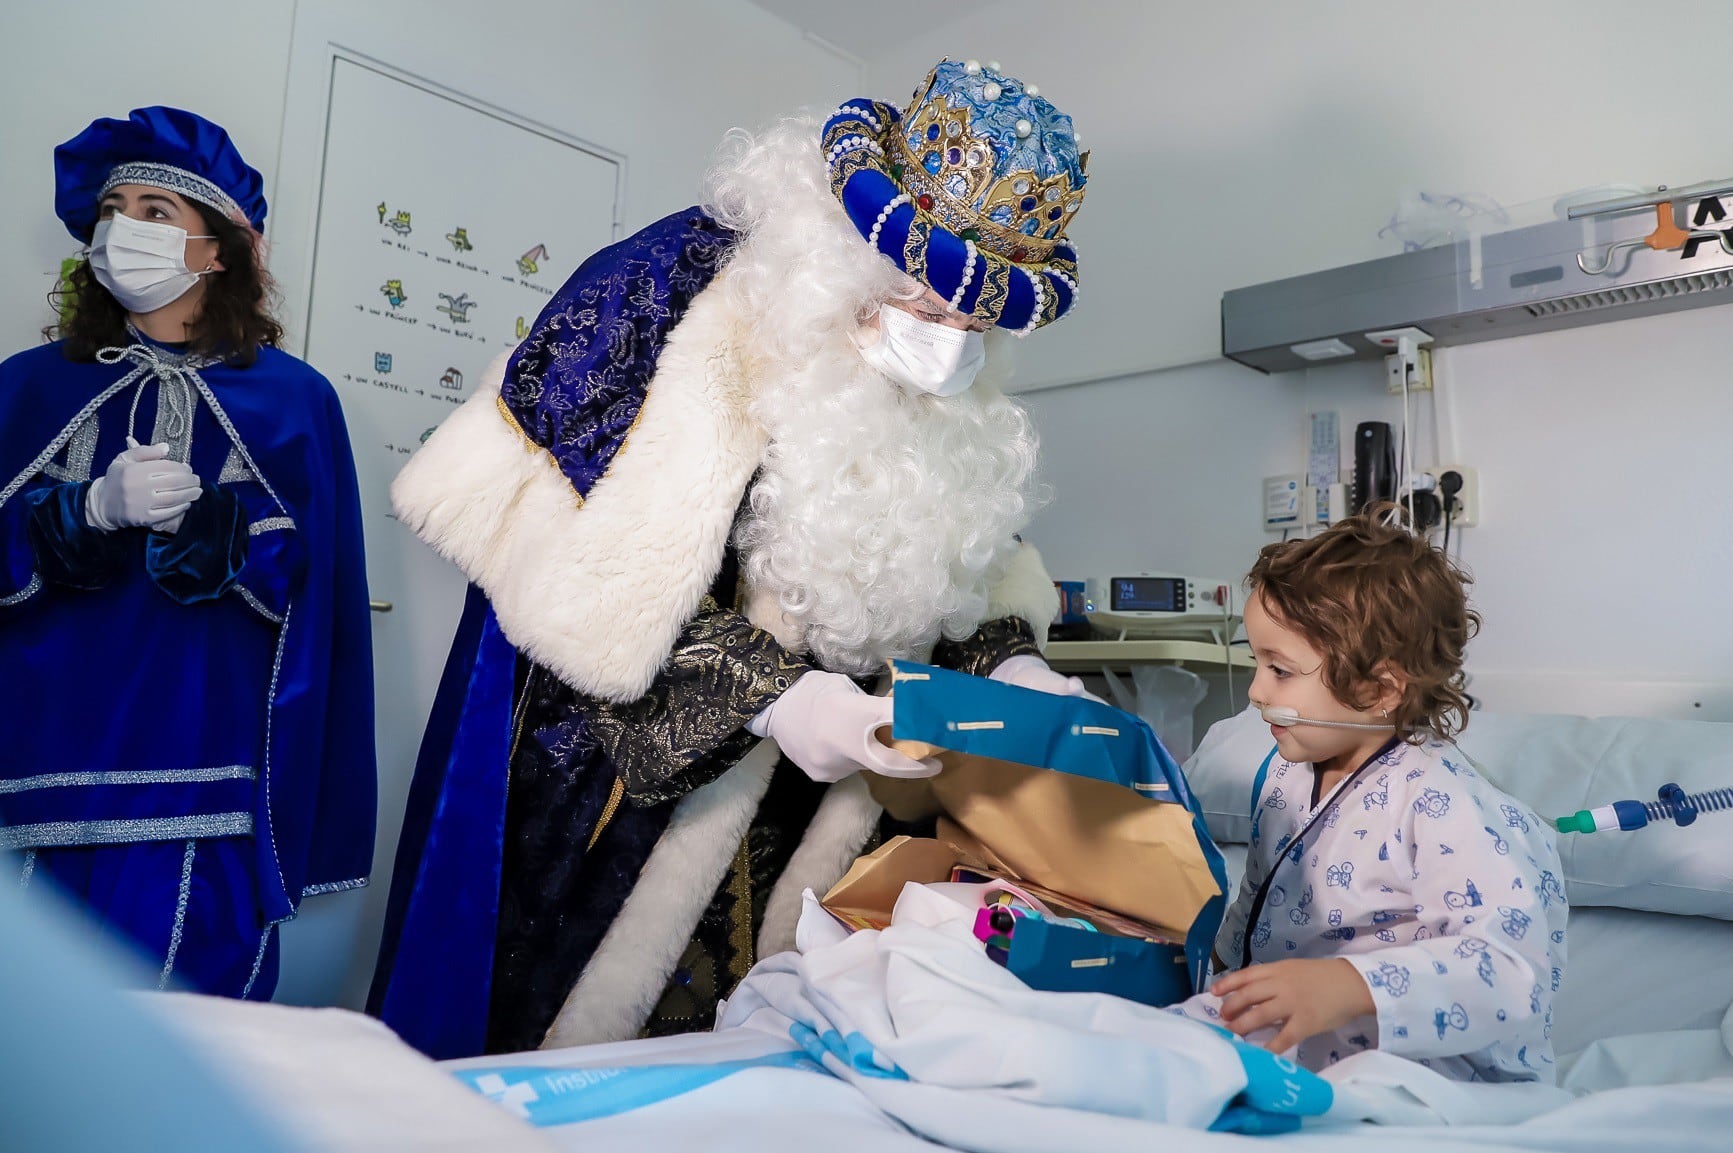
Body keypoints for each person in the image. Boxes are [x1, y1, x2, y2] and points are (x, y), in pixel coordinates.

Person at [370, 58, 1092, 1058]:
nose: (947, 344)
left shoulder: (945, 375)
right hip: (629, 789)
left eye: (971, 323)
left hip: (818, 812)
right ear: (849, 257)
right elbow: (581, 560)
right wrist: (780, 697)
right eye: (925, 308)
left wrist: (1013, 662)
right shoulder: (667, 290)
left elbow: (955, 552)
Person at [0, 106, 377, 1000]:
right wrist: (83, 508)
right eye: (113, 208)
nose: (122, 229)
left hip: (202, 770)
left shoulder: (294, 402)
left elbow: (314, 597)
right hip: (36, 762)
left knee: (183, 1044)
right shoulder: (25, 385)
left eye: (156, 212)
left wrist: (212, 530)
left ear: (219, 250)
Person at [1174, 510, 1567, 1082]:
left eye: (1280, 670)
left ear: (1378, 688)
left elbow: (1511, 971)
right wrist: (1207, 968)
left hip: (1424, 1068)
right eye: (1257, 662)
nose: (1257, 692)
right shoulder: (1289, 775)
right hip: (1293, 1041)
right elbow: (1258, 902)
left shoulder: (1440, 803)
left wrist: (1350, 985)